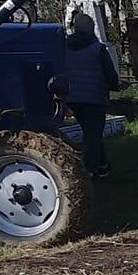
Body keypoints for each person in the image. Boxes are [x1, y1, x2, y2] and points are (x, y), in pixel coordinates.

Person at [51, 10, 120, 179]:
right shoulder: (98, 49)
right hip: (94, 97)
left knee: (91, 132)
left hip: (71, 97)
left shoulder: (64, 47)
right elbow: (110, 74)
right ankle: (87, 170)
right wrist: (114, 85)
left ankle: (102, 166)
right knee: (93, 135)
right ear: (91, 28)